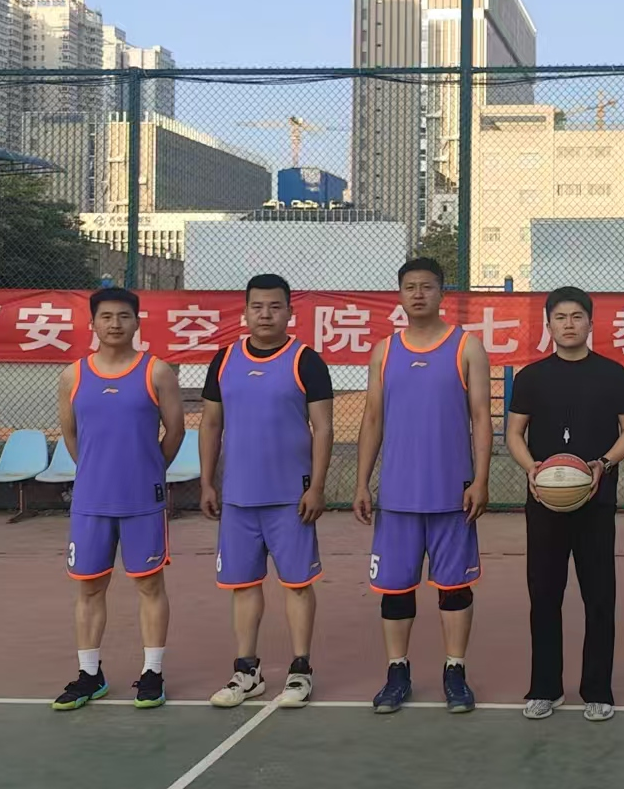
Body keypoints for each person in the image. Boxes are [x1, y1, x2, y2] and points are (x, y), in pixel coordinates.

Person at [354, 257, 492, 714]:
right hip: (397, 496)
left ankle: (455, 671)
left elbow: (481, 418)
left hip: (452, 494)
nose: (418, 294)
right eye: (410, 287)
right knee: (396, 590)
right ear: (399, 294)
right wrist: (362, 482)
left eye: (427, 286)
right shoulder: (384, 351)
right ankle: (397, 672)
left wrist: (481, 479)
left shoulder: (466, 347)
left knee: (455, 589)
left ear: (441, 293)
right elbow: (372, 419)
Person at [200, 274, 335, 709]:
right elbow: (211, 424)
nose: (265, 314)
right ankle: (247, 671)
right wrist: (207, 481)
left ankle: (300, 670)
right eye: (257, 306)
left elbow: (323, 428)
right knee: (243, 586)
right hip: (238, 498)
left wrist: (317, 486)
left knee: (297, 585)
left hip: (291, 499)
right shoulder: (224, 360)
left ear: (289, 312)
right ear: (244, 312)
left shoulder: (306, 361)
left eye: (275, 306)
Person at [506, 287, 624, 722]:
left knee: (599, 596)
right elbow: (514, 433)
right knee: (544, 595)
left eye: (577, 316)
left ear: (590, 323)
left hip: (596, 501)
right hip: (544, 500)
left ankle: (598, 689)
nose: (569, 324)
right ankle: (545, 688)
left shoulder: (613, 375)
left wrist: (604, 463)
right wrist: (531, 468)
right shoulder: (531, 377)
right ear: (548, 325)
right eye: (560, 317)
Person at [52, 287, 184, 711]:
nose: (114, 324)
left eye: (123, 316)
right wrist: (97, 471)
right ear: (92, 323)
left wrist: (149, 468)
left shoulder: (157, 372)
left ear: (137, 322)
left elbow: (176, 431)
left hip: (142, 500)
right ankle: (90, 675)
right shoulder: (73, 376)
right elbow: (72, 435)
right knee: (89, 588)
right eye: (106, 317)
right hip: (91, 501)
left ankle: (152, 673)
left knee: (149, 584)